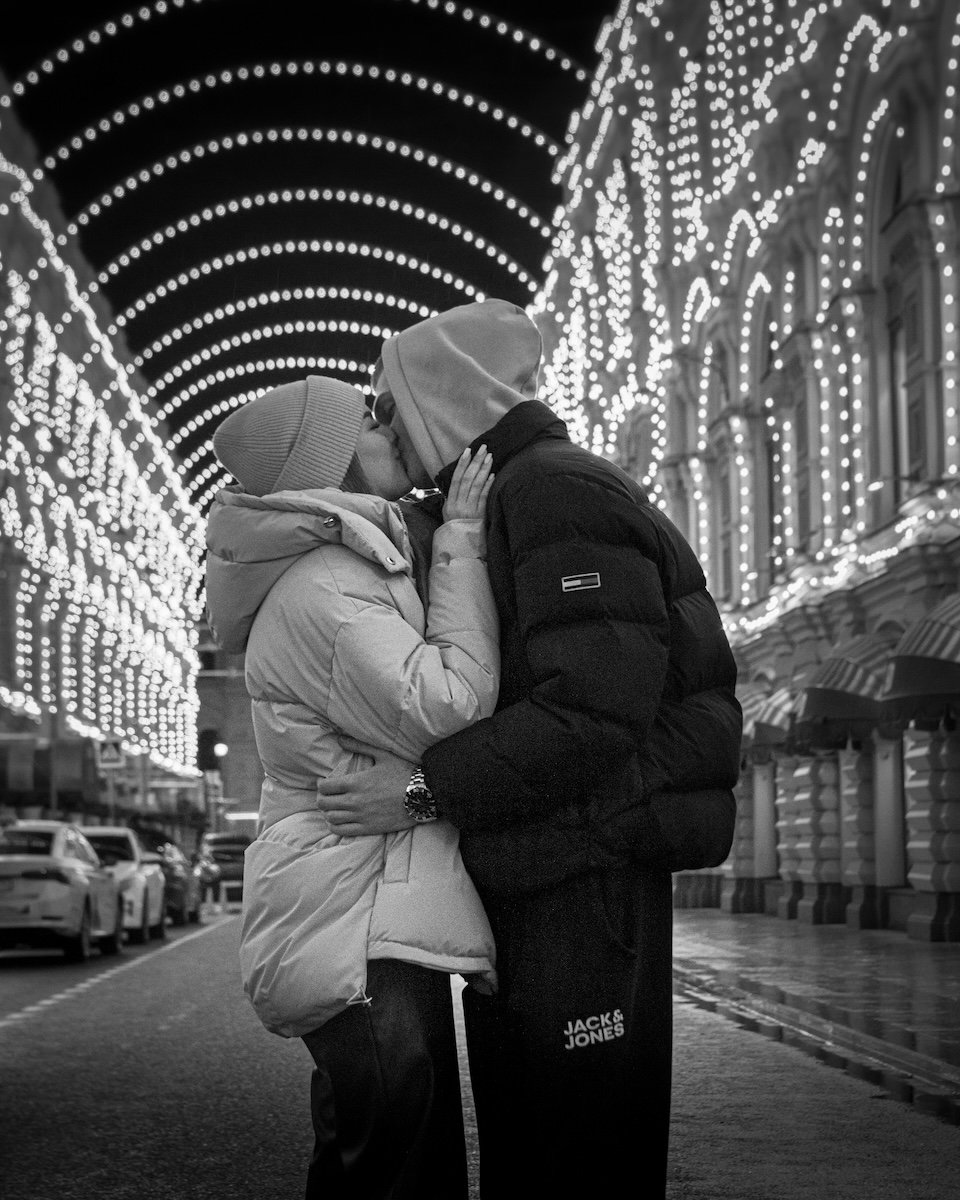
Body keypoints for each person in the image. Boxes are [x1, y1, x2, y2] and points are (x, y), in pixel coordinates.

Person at [316, 299, 743, 1199]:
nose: (382, 422)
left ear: (442, 398)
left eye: (389, 403)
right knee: (541, 1136)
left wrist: (422, 792)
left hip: (584, 871)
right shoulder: (514, 492)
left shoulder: (552, 490)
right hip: (550, 861)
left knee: (574, 1149)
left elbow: (589, 711)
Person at [204, 374, 500, 1199]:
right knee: (393, 1155)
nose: (389, 424)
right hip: (353, 911)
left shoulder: (344, 565)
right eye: (367, 418)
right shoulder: (329, 587)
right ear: (327, 463)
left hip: (355, 897)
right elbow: (449, 708)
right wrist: (464, 541)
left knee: (375, 1148)